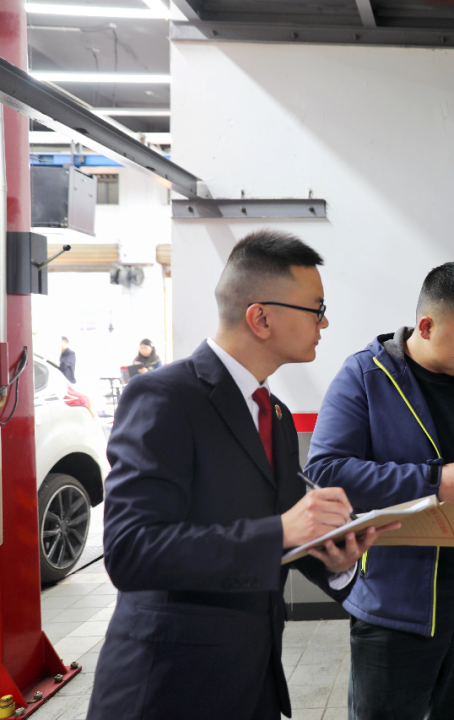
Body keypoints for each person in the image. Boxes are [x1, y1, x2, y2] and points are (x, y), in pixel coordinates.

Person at [87, 231, 398, 720]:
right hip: (168, 688)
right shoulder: (165, 398)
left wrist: (334, 557)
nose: (324, 322)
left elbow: (279, 529)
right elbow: (131, 552)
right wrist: (283, 530)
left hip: (251, 682)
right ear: (261, 318)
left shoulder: (274, 413)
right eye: (316, 309)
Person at [306, 261, 454, 720]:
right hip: (397, 603)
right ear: (426, 327)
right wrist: (433, 482)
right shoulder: (366, 376)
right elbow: (325, 471)